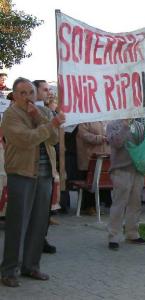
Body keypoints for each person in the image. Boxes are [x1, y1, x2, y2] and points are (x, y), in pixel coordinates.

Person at [0, 77, 65, 287]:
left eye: (31, 92)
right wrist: (50, 125)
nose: (28, 96)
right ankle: (9, 270)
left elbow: (54, 139)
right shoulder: (10, 116)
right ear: (14, 95)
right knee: (18, 224)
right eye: (23, 93)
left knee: (38, 224)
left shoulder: (42, 112)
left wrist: (41, 119)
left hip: (44, 174)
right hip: (22, 173)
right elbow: (26, 139)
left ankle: (31, 266)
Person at [106, 118, 145, 250]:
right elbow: (116, 142)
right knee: (119, 203)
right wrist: (125, 126)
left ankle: (132, 233)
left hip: (137, 169)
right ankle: (113, 236)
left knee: (135, 203)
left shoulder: (138, 124)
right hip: (121, 169)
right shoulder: (113, 124)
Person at [32, 80, 60, 253]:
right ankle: (29, 242)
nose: (48, 92)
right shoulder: (22, 112)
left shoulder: (48, 112)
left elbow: (54, 137)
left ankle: (41, 239)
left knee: (44, 209)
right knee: (29, 209)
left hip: (47, 165)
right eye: (45, 89)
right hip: (28, 167)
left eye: (49, 90)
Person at [76, 121, 111, 215]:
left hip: (105, 157)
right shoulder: (85, 121)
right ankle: (88, 206)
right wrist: (100, 138)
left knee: (101, 182)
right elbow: (83, 135)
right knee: (90, 182)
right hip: (89, 158)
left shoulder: (108, 119)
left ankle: (97, 206)